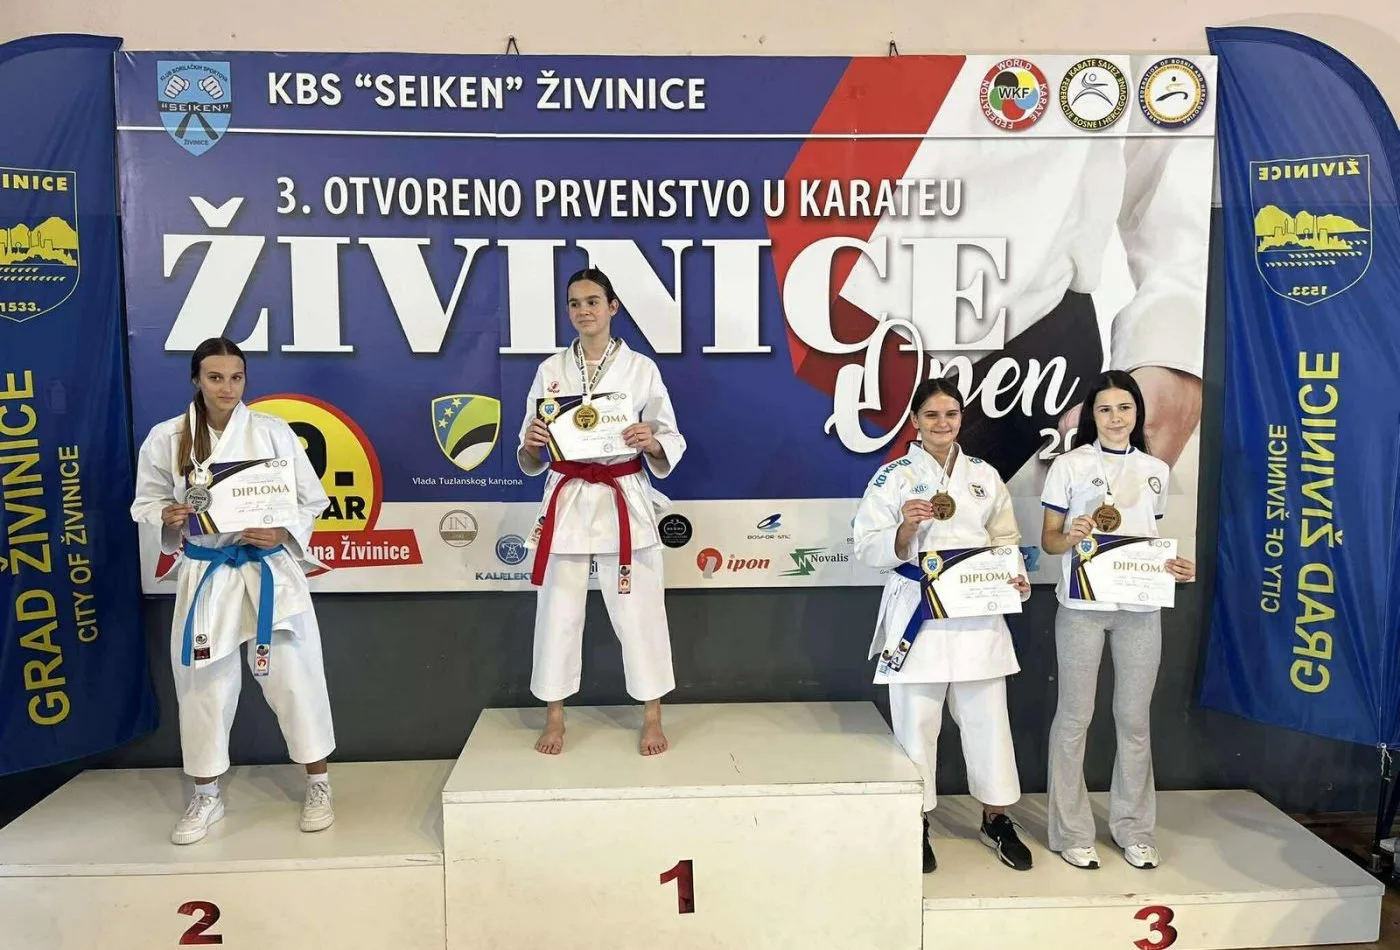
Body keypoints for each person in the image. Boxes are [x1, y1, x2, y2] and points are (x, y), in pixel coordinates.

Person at [130, 336, 336, 845]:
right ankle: (206, 795)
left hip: (269, 569)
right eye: (216, 377)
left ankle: (319, 783)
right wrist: (167, 515)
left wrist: (283, 531)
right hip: (209, 572)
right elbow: (144, 502)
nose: (227, 387)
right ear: (196, 379)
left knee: (295, 678)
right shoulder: (168, 437)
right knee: (204, 687)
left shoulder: (272, 432)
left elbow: (312, 500)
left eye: (236, 377)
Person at [853, 378, 1034, 874]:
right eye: (931, 415)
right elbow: (865, 546)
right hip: (920, 613)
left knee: (989, 721)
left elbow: (1004, 538)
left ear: (961, 418)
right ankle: (916, 821)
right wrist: (904, 528)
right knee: (916, 725)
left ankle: (996, 818)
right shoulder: (892, 478)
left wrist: (1013, 575)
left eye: (951, 414)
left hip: (976, 612)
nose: (942, 423)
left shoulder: (983, 475)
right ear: (915, 421)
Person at [517, 267, 686, 757]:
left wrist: (651, 440)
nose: (583, 311)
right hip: (568, 494)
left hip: (622, 493)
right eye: (574, 303)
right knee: (557, 612)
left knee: (640, 611)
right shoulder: (551, 369)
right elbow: (530, 450)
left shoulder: (640, 368)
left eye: (593, 301)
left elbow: (669, 434)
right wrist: (532, 442)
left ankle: (652, 715)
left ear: (612, 307)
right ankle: (554, 716)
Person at [1040, 370, 1196, 871]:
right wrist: (1071, 534)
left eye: (1124, 407)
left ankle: (1134, 829)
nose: (1115, 417)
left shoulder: (1155, 469)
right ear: (1092, 415)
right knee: (1074, 718)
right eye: (1104, 409)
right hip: (1082, 608)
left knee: (1133, 720)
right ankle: (1071, 832)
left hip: (1139, 612)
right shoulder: (1069, 465)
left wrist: (1175, 567)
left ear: (1137, 412)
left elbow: (1147, 541)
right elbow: (1049, 541)